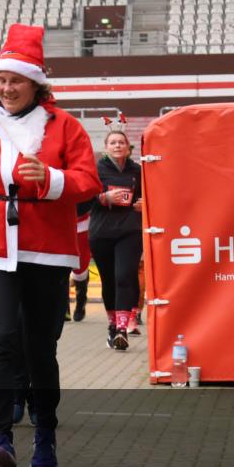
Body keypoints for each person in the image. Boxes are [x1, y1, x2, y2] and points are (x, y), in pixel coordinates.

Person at [0, 24, 100, 467]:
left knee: (40, 346)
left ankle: (46, 431)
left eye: (16, 80)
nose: (7, 88)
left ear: (36, 83)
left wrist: (50, 179)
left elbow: (88, 182)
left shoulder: (65, 126)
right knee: (2, 340)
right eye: (1, 80)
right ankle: (0, 442)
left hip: (46, 249)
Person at [89, 116, 143, 351]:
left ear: (128, 147)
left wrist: (145, 204)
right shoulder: (95, 169)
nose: (118, 146)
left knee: (124, 276)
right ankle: (112, 325)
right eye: (113, 143)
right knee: (109, 280)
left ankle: (122, 329)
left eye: (121, 142)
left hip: (130, 231)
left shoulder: (138, 171)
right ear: (106, 147)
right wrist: (103, 198)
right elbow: (83, 198)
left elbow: (152, 194)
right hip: (101, 232)